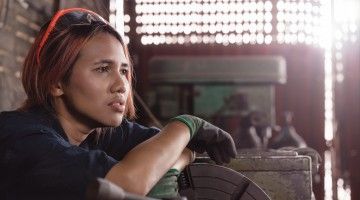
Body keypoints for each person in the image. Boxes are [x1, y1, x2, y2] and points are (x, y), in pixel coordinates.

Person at [0, 8, 237, 199]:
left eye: (124, 70)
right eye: (103, 69)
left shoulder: (100, 133)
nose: (122, 85)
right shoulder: (20, 139)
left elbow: (173, 148)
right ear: (57, 82)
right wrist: (185, 124)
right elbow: (130, 183)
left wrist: (171, 167)